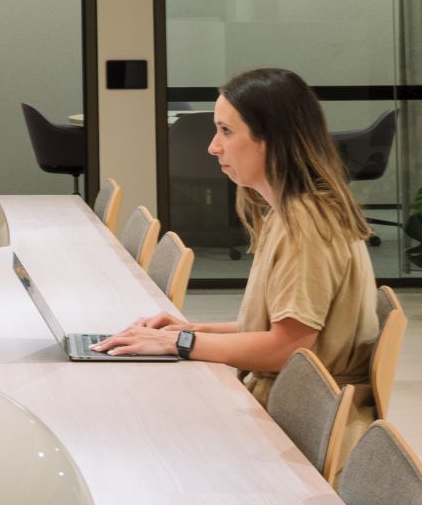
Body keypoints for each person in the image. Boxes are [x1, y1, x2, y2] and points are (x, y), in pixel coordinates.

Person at [93, 67, 379, 406]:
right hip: (290, 399)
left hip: (294, 412)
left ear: (272, 139)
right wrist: (190, 331)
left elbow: (287, 348)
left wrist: (179, 344)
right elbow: (276, 331)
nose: (213, 147)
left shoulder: (306, 225)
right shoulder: (293, 212)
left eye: (226, 132)